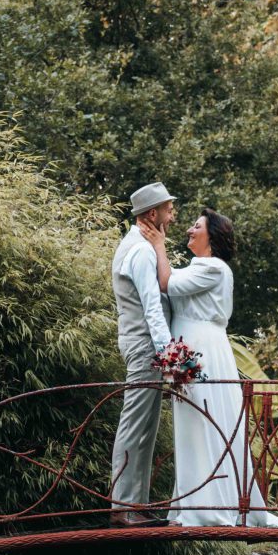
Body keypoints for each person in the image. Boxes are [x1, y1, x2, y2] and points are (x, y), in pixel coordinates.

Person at [140, 209, 278, 528]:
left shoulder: (214, 268)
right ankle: (194, 503)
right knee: (195, 427)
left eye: (196, 226)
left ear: (212, 236)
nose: (188, 229)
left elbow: (167, 282)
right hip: (191, 346)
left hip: (205, 351)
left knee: (211, 423)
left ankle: (212, 507)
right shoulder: (202, 267)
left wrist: (158, 242)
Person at [110, 182, 177, 528]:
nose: (172, 213)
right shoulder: (140, 252)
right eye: (168, 208)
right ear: (152, 214)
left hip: (143, 345)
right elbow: (152, 307)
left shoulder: (140, 245)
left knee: (146, 427)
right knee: (135, 422)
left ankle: (137, 504)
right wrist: (170, 356)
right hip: (143, 346)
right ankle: (123, 506)